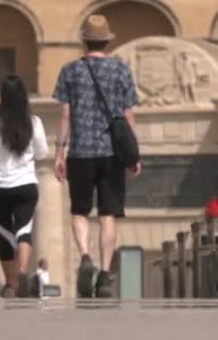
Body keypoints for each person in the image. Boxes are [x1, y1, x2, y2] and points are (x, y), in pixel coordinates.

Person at [53, 15, 141, 298]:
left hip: (80, 152)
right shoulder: (121, 70)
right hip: (112, 153)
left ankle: (85, 257)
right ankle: (104, 274)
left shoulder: (70, 71)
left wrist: (59, 151)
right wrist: (133, 153)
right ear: (108, 40)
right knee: (108, 215)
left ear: (84, 40)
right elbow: (128, 115)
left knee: (79, 211)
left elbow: (65, 114)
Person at [0, 75, 48, 298]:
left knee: (4, 233)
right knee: (23, 231)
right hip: (25, 185)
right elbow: (42, 153)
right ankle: (22, 271)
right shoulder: (34, 122)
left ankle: (10, 284)